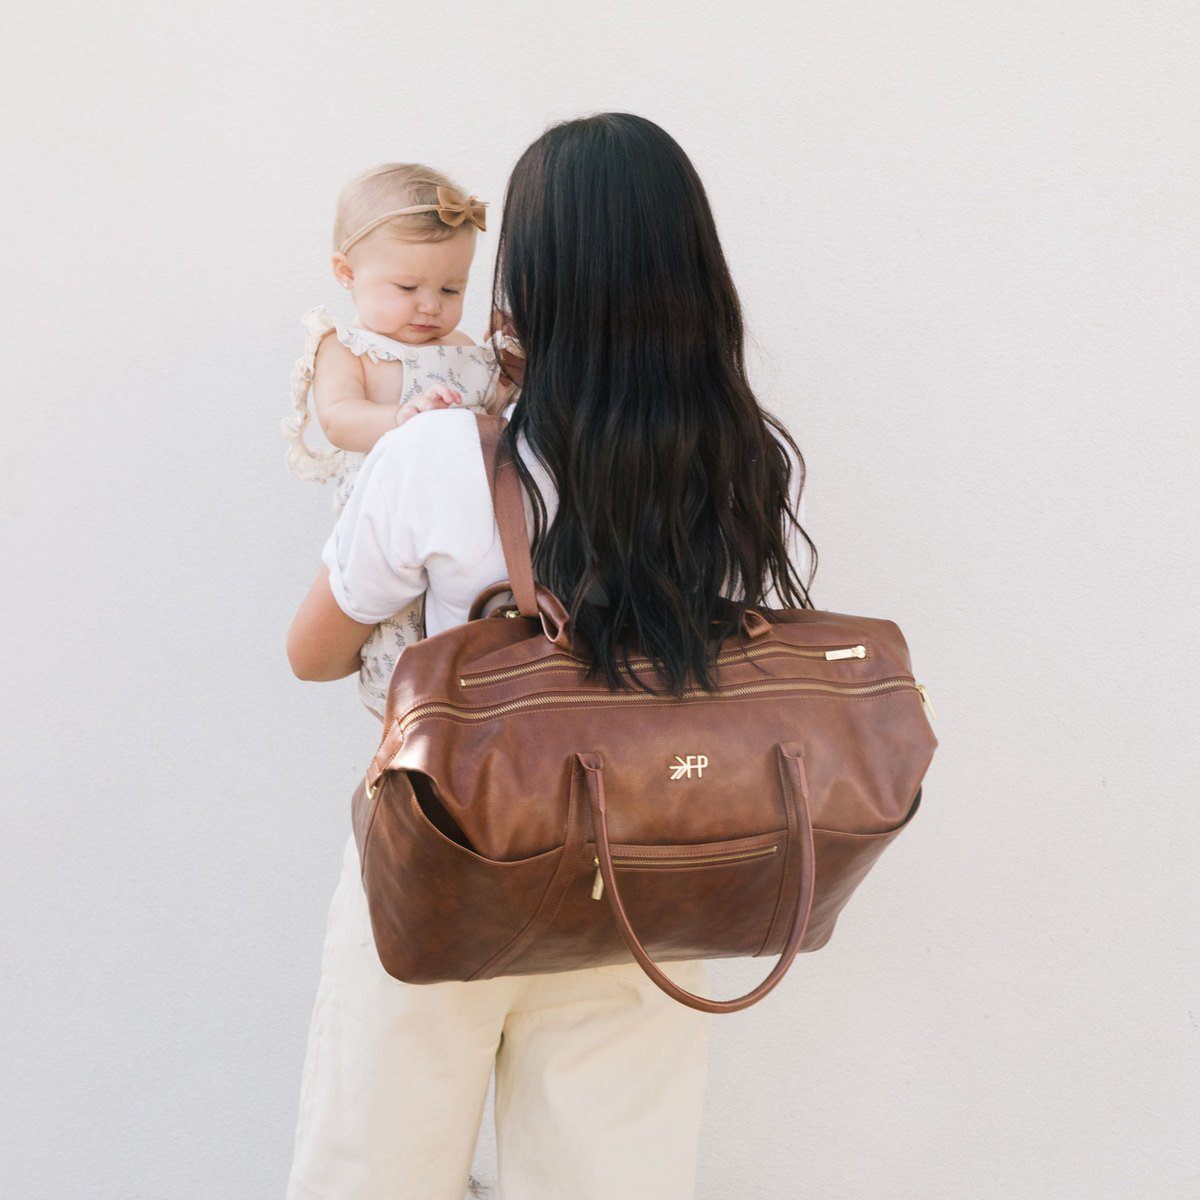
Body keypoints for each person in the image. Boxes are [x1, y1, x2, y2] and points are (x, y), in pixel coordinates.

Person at [284, 112, 816, 1200]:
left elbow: (312, 651)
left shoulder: (438, 450)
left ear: (535, 275)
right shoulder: (726, 459)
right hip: (643, 874)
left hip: (445, 865)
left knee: (376, 1174)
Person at [281, 161, 520, 718]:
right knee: (396, 639)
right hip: (383, 524)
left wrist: (510, 373)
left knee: (455, 634)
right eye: (407, 287)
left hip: (461, 530)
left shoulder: (462, 345)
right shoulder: (346, 346)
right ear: (347, 271)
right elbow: (339, 418)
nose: (430, 305)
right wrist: (402, 418)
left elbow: (490, 414)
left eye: (450, 288)